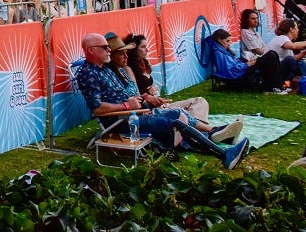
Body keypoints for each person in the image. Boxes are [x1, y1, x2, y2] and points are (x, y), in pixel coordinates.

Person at [76, 32, 249, 169]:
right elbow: (97, 109)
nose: (108, 50)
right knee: (175, 122)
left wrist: (140, 100)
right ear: (91, 50)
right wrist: (127, 105)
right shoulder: (89, 73)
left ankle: (217, 138)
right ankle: (223, 155)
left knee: (176, 113)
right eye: (104, 47)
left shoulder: (104, 69)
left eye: (108, 48)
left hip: (136, 113)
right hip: (123, 121)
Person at [122, 33, 240, 141]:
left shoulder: (142, 64)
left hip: (157, 103)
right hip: (152, 108)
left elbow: (147, 86)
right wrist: (146, 95)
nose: (147, 50)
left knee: (200, 101)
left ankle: (201, 132)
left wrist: (154, 87)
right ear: (133, 50)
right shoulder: (128, 69)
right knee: (181, 111)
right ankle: (206, 133)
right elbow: (135, 93)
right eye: (143, 47)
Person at [209, 28, 286, 90]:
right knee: (270, 55)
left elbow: (232, 66)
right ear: (219, 40)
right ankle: (274, 86)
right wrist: (246, 65)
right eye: (227, 41)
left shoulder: (223, 52)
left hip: (241, 72)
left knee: (273, 54)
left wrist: (246, 63)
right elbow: (229, 71)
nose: (229, 43)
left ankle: (277, 85)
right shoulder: (218, 53)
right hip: (239, 75)